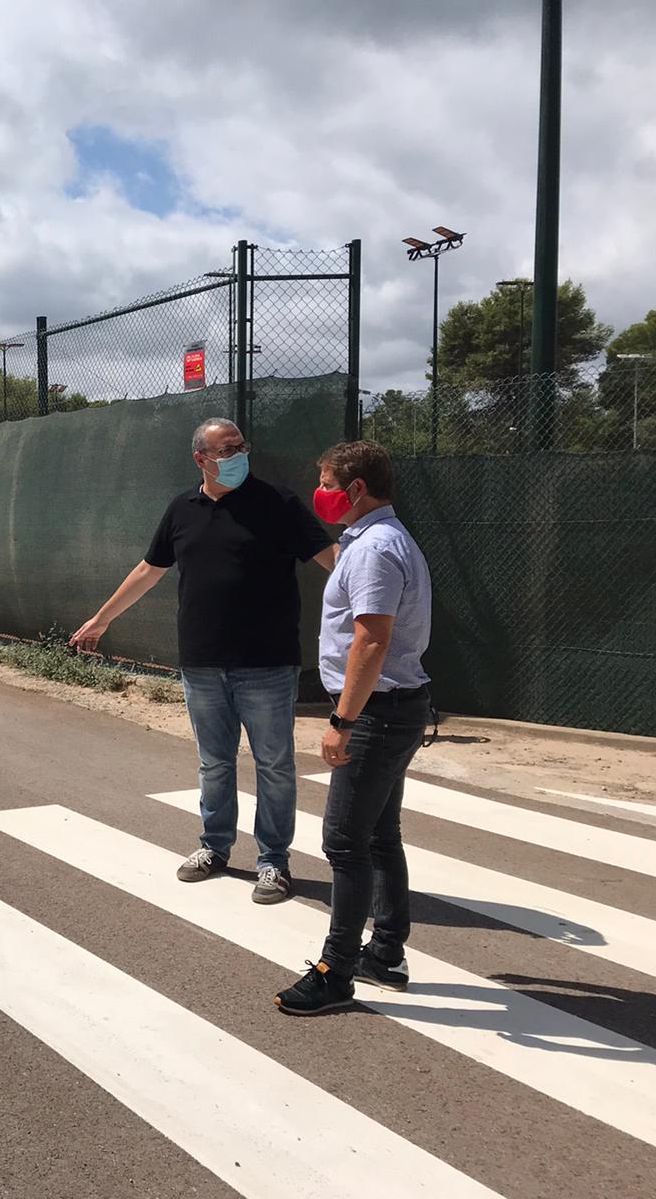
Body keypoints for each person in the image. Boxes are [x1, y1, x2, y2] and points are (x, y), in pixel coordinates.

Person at [71, 417, 336, 904]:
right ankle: (215, 848)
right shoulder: (182, 509)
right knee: (214, 764)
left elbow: (330, 557)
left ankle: (273, 862)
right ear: (201, 459)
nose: (238, 455)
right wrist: (102, 619)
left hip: (267, 663)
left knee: (274, 765)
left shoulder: (276, 503)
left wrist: (376, 600)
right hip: (203, 663)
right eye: (226, 449)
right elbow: (150, 570)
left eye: (241, 446)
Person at [275, 439, 433, 1015]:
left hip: (376, 712)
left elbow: (372, 637)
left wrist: (342, 719)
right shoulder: (382, 540)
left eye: (327, 482)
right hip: (397, 706)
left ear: (356, 488)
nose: (322, 493)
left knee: (343, 841)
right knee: (377, 835)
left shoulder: (373, 549)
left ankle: (335, 972)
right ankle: (385, 954)